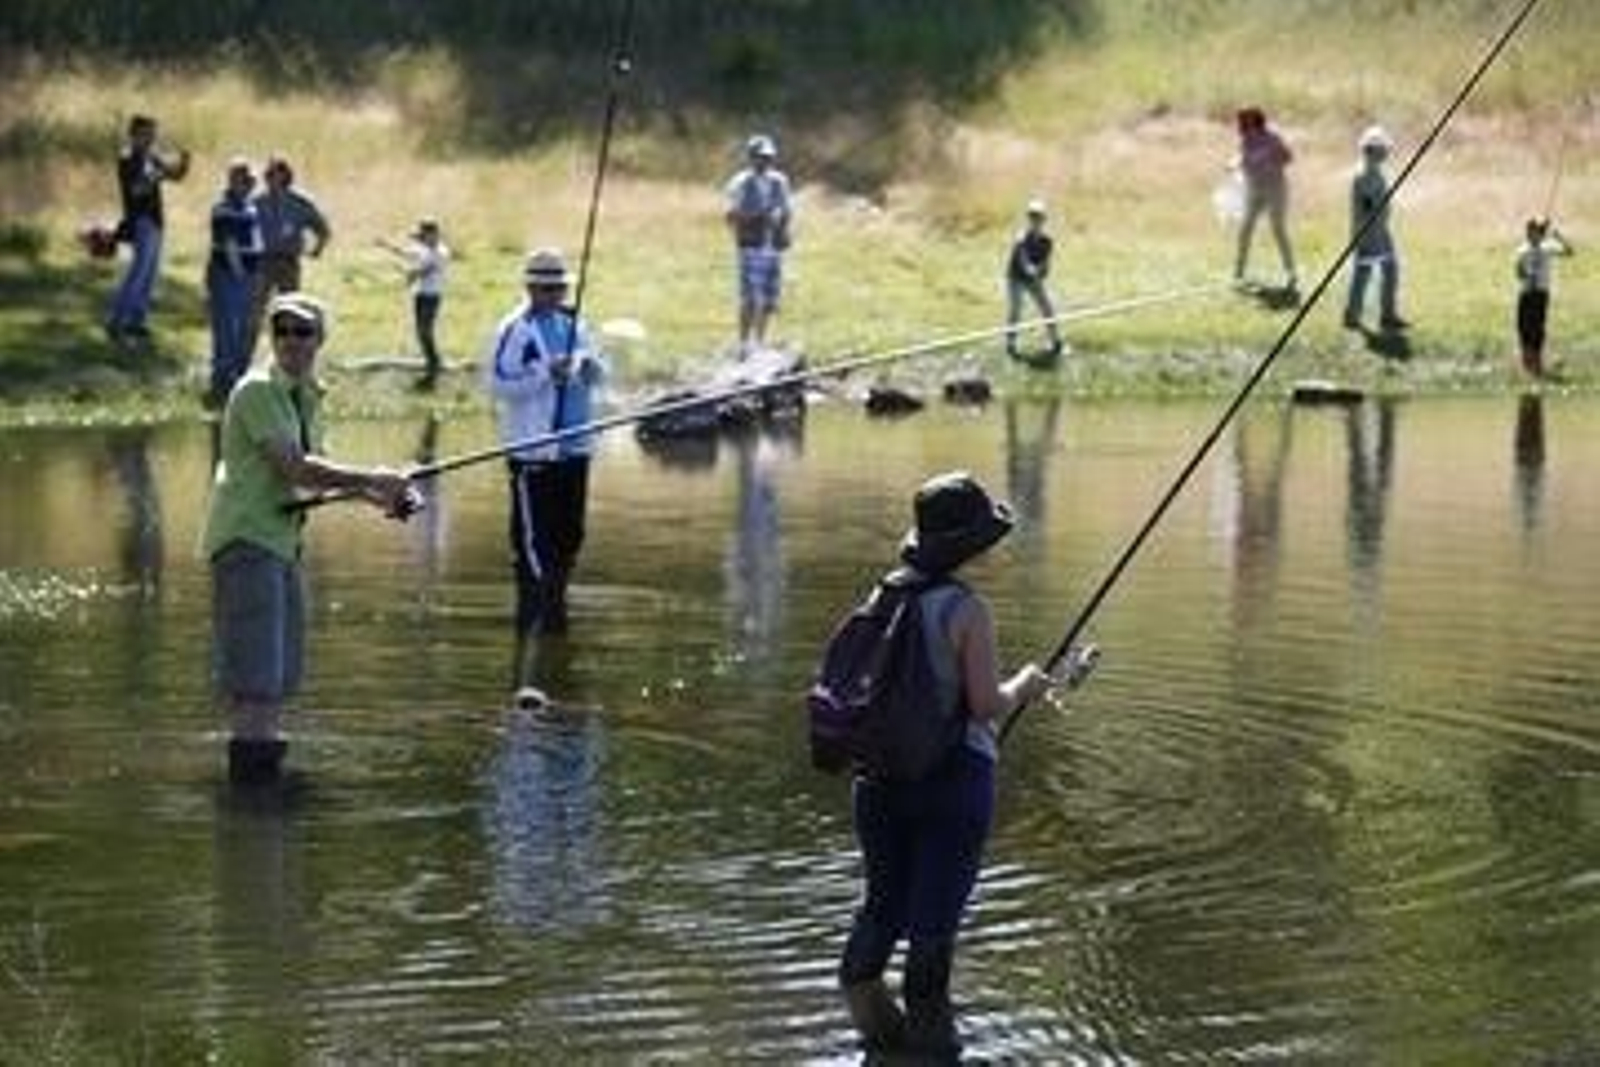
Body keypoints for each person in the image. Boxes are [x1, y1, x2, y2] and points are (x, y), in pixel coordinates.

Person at [837, 471, 1055, 1059]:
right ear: (971, 547)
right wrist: (1027, 686)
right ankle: (929, 1042)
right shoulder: (967, 610)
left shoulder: (882, 594)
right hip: (953, 784)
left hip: (879, 780)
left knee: (879, 908)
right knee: (932, 929)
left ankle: (869, 1023)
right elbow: (986, 706)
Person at [201, 292, 414, 786]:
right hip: (247, 543)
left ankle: (262, 797)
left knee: (278, 679)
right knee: (257, 685)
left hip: (280, 546)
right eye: (282, 331)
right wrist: (375, 478)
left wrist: (376, 495)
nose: (291, 341)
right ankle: (254, 801)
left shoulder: (308, 395)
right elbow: (296, 467)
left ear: (321, 339)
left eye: (302, 332)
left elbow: (307, 482)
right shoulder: (257, 390)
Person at [484, 248, 609, 635]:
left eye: (558, 288)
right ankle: (537, 608)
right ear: (530, 287)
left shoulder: (576, 325)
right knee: (533, 540)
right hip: (533, 451)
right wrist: (544, 375)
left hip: (575, 448)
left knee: (570, 533)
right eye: (545, 287)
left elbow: (598, 376)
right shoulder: (515, 329)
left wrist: (591, 369)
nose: (553, 294)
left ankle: (554, 603)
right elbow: (497, 385)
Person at [106, 113, 190, 344]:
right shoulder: (127, 159)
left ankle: (136, 322)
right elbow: (136, 190)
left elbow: (176, 176)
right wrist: (157, 175)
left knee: (150, 274)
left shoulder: (150, 158)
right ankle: (117, 321)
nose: (151, 138)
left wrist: (184, 162)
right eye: (146, 134)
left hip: (156, 220)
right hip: (140, 221)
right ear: (133, 135)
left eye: (153, 134)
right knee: (137, 273)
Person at [247, 154, 331, 358]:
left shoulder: (299, 202)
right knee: (254, 311)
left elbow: (322, 228)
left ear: (285, 175)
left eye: (275, 173)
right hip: (262, 262)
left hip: (288, 262)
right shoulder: (257, 202)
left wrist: (317, 249)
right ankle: (245, 355)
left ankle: (288, 355)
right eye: (268, 174)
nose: (270, 178)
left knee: (289, 310)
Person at [724, 133, 793, 355]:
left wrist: (783, 229)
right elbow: (731, 217)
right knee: (750, 298)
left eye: (768, 157)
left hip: (772, 247)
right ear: (750, 157)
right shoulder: (740, 183)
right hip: (750, 247)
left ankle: (760, 342)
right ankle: (744, 343)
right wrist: (756, 217)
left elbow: (786, 211)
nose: (764, 161)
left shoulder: (780, 182)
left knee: (770, 299)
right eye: (759, 157)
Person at [206, 157, 264, 407]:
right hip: (227, 273)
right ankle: (222, 378)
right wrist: (239, 271)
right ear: (235, 181)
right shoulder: (223, 207)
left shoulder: (250, 207)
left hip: (248, 274)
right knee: (226, 326)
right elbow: (228, 243)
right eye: (246, 180)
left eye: (251, 181)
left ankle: (238, 375)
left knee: (244, 325)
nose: (251, 185)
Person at [1343, 125, 1408, 332]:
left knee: (1391, 270)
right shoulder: (1363, 174)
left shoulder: (1376, 171)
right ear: (1371, 150)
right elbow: (1366, 206)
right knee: (1363, 273)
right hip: (1367, 233)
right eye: (1382, 149)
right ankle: (1352, 316)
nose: (1387, 153)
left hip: (1382, 230)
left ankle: (1387, 315)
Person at [381, 218, 451, 389]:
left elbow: (422, 271)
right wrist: (387, 246)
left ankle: (433, 365)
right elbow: (407, 253)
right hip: (421, 296)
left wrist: (407, 275)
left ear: (433, 235)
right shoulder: (424, 249)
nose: (421, 239)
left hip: (431, 297)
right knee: (422, 332)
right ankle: (431, 364)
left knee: (425, 332)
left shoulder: (440, 253)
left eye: (424, 235)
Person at [1232, 107, 1298, 290]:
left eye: (1246, 121)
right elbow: (1244, 163)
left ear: (1256, 121)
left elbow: (1289, 157)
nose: (1243, 126)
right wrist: (1237, 164)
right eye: (1242, 123)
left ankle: (1291, 272)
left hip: (1276, 188)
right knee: (1245, 229)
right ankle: (1238, 272)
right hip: (1254, 189)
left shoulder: (1272, 137)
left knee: (1278, 229)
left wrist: (1271, 156)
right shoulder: (1244, 140)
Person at [1003, 199, 1065, 360]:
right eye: (1032, 217)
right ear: (1028, 219)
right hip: (1015, 278)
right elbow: (1025, 263)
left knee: (1048, 308)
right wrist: (1033, 271)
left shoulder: (1047, 241)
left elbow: (1046, 265)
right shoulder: (1021, 239)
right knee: (1015, 310)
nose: (1035, 220)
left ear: (1044, 219)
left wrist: (1041, 274)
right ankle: (1011, 345)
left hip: (1034, 280)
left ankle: (1055, 341)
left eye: (1038, 217)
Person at [1512, 216, 1573, 378]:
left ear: (1541, 233)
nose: (1533, 234)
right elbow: (1518, 272)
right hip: (1525, 294)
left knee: (1537, 330)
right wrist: (1527, 274)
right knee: (1523, 329)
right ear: (1528, 232)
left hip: (1540, 295)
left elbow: (1569, 252)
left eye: (1538, 232)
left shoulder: (1547, 248)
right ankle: (1527, 367)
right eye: (1531, 231)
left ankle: (1537, 367)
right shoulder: (1522, 250)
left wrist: (1558, 237)